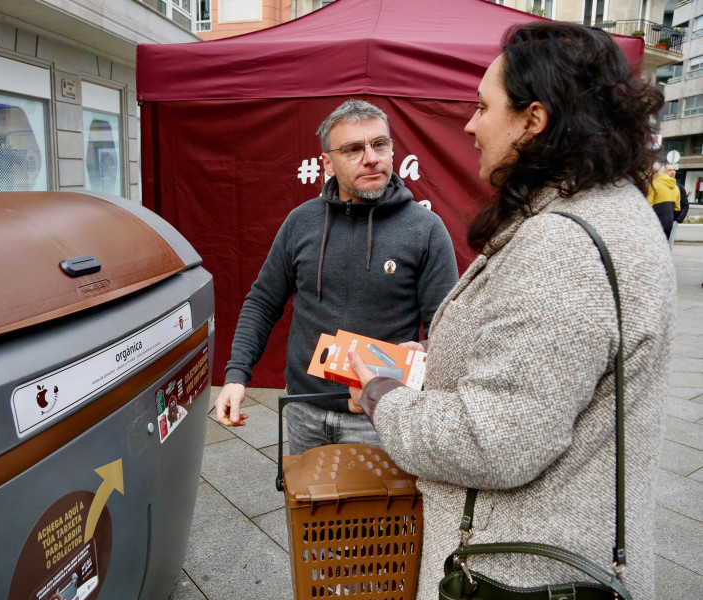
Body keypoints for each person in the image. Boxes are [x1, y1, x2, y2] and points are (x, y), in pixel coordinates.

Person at [347, 22, 674, 599]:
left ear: (534, 120)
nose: (469, 125)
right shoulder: (613, 208)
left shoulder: (562, 246)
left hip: (518, 572)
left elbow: (492, 441)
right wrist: (442, 360)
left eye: (482, 107)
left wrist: (380, 395)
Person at [214, 99, 459, 454]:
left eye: (379, 144)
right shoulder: (301, 222)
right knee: (306, 509)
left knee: (378, 512)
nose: (371, 157)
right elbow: (263, 302)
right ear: (327, 162)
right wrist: (236, 376)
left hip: (379, 417)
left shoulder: (425, 230)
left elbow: (444, 331)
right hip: (303, 409)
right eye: (353, 149)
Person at [647, 161, 679, 239]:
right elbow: (677, 208)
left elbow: (647, 207)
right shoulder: (676, 187)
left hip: (655, 225)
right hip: (668, 224)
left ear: (652, 172)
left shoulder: (653, 185)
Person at [665, 162, 689, 248]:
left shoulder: (679, 187)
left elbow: (685, 205)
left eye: (674, 170)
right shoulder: (658, 186)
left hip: (673, 221)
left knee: (669, 246)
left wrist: (678, 220)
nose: (672, 172)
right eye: (669, 170)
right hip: (661, 221)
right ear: (664, 172)